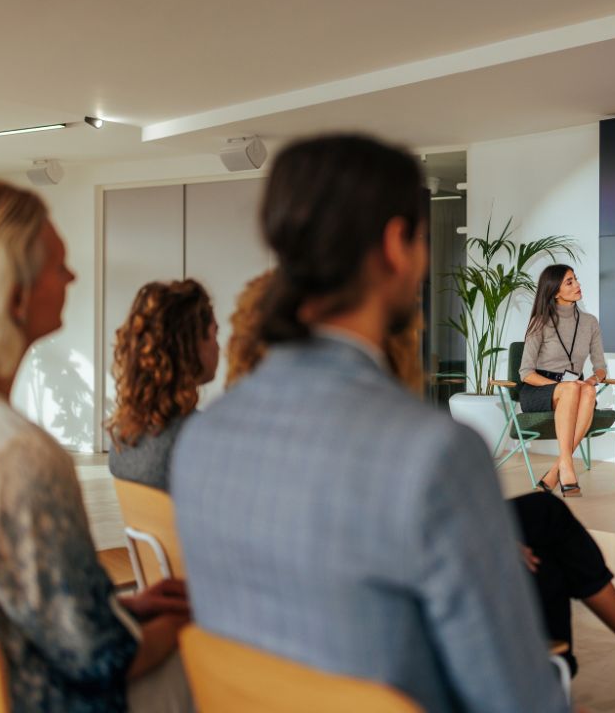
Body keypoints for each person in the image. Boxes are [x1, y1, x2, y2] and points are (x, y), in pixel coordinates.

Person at [171, 134, 568, 712]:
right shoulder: (436, 454)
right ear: (394, 245)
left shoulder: (202, 439)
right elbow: (516, 701)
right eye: (422, 240)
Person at [219, 271, 615, 694]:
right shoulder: (425, 441)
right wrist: (487, 537)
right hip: (402, 651)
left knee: (546, 509)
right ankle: (563, 680)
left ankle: (562, 481)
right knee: (544, 550)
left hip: (306, 640)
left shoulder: (217, 441)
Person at [0, 179, 191, 712]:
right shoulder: (15, 456)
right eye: (59, 265)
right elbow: (103, 660)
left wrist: (118, 607)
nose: (73, 277)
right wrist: (184, 622)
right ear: (13, 293)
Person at [107, 279, 219, 491]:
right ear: (190, 345)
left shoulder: (122, 437)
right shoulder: (200, 437)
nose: (218, 347)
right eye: (214, 334)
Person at [519, 264, 608, 497]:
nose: (577, 285)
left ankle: (556, 470)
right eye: (570, 281)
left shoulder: (590, 322)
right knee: (571, 389)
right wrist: (562, 386)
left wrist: (592, 380)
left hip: (575, 388)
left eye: (575, 279)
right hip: (539, 389)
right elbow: (526, 373)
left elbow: (601, 367)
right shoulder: (540, 321)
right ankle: (566, 467)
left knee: (588, 391)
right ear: (555, 291)